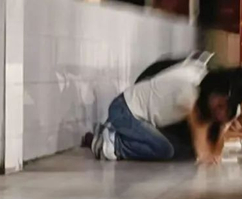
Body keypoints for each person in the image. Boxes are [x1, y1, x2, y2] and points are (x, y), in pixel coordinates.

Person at [89, 59, 234, 164]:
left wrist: (213, 153)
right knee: (165, 149)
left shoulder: (199, 86)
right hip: (124, 111)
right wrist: (206, 156)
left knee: (179, 148)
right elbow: (199, 135)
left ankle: (110, 134)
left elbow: (208, 139)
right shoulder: (191, 92)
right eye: (219, 105)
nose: (220, 112)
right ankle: (112, 144)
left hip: (131, 114)